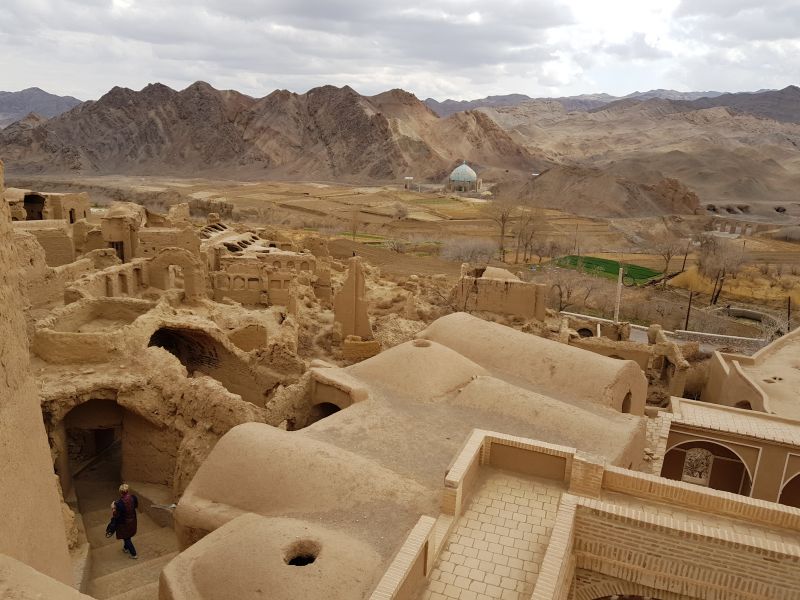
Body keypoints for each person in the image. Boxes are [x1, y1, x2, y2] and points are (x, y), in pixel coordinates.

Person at [112, 483, 139, 559]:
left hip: (124, 523)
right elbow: (136, 506)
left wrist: (113, 508)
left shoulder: (119, 503)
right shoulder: (133, 498)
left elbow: (116, 515)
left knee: (126, 537)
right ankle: (125, 548)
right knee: (127, 536)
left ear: (120, 492)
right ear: (128, 491)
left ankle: (134, 554)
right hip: (133, 520)